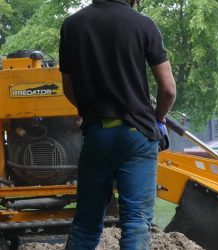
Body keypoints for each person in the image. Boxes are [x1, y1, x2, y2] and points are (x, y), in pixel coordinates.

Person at [58, 0, 176, 249]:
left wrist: (89, 111)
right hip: (137, 135)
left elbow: (68, 88)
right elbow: (168, 90)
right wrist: (158, 117)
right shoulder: (143, 24)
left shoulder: (72, 25)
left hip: (97, 134)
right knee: (136, 223)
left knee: (85, 224)